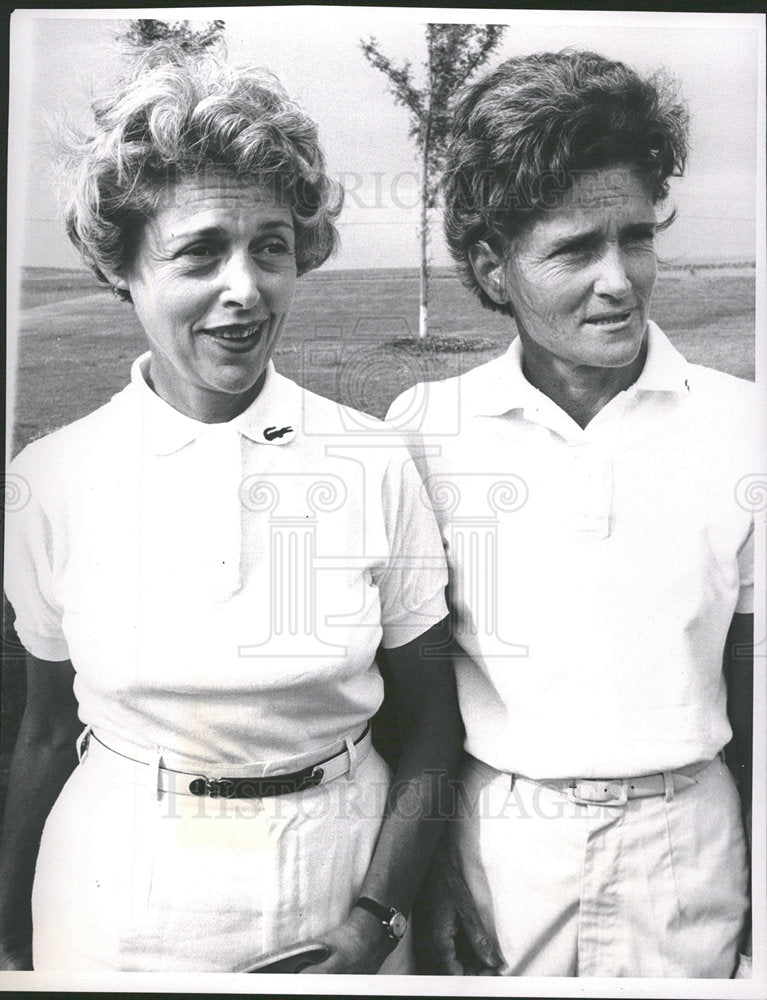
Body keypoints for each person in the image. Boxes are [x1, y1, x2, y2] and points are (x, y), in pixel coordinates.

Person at [0, 47, 463, 974]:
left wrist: (374, 919)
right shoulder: (51, 478)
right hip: (116, 912)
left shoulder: (370, 458)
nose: (243, 288)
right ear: (121, 266)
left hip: (338, 892)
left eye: (270, 247)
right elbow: (47, 729)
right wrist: (10, 940)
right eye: (200, 251)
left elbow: (432, 726)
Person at [387, 49, 756, 978]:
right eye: (572, 249)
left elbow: (756, 699)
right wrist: (422, 893)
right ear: (491, 266)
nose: (619, 279)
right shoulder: (425, 430)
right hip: (499, 854)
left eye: (636, 237)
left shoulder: (741, 425)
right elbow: (411, 707)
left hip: (691, 858)